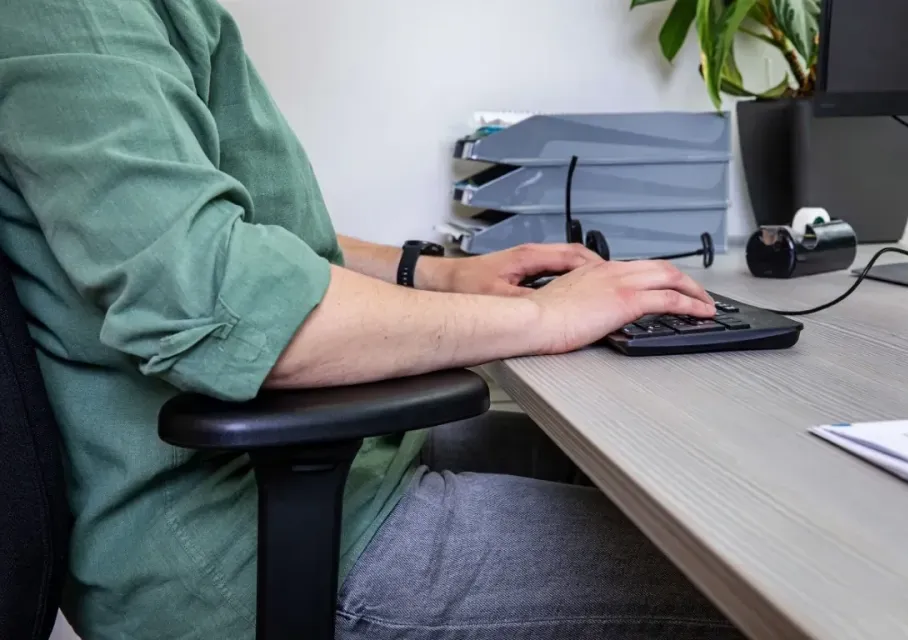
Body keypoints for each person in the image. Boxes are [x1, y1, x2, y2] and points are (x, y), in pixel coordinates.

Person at [0, 1, 743, 638]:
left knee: (656, 485)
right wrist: (547, 317)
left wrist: (440, 272)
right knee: (743, 592)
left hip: (306, 465)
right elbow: (223, 301)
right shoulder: (77, 16)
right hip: (228, 543)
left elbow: (245, 240)